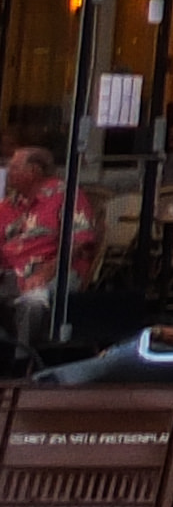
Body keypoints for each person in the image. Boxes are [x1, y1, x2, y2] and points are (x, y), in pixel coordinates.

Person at [0, 149, 101, 359]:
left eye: (15, 167)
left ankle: (21, 363)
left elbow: (80, 242)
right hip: (10, 276)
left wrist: (47, 272)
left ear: (34, 171)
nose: (8, 171)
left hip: (55, 273)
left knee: (32, 304)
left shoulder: (65, 196)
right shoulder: (9, 205)